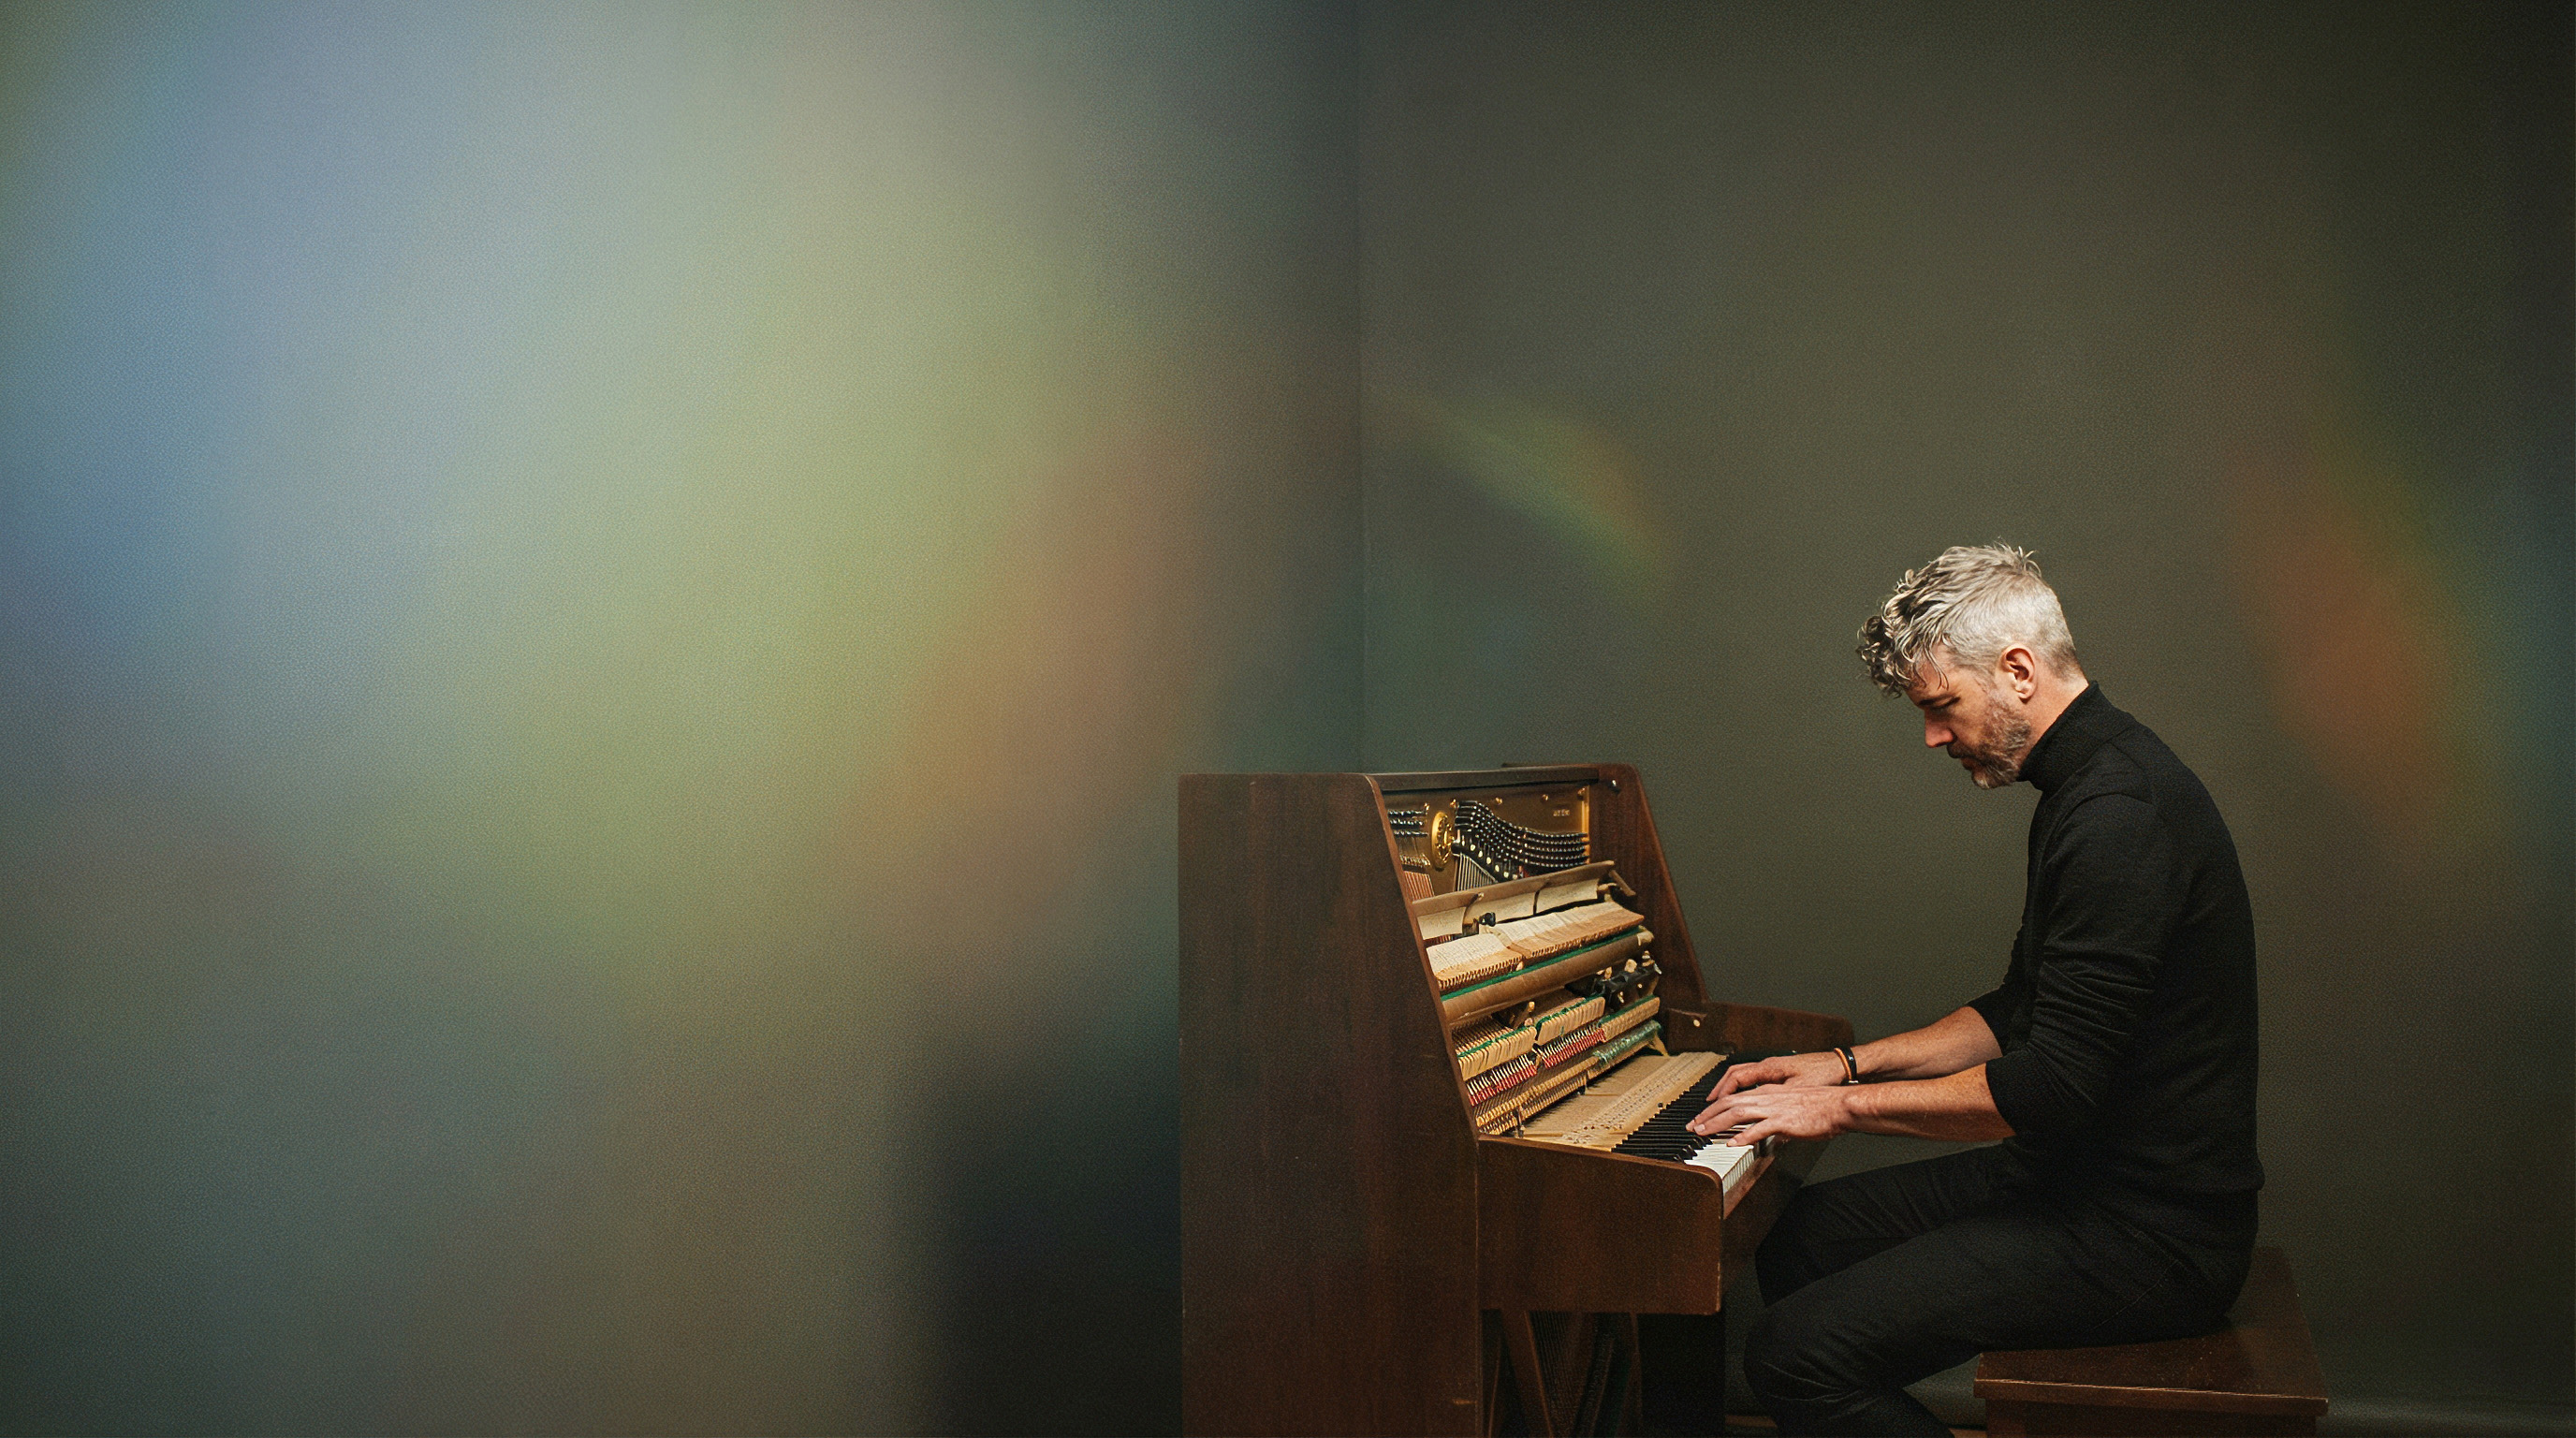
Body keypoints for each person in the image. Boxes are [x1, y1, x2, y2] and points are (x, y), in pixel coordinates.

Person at [1685, 544, 2262, 1437]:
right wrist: (1840, 1065)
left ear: (2018, 671)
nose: (1932, 736)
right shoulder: (2084, 786)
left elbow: (2051, 1090)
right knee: (1802, 1234)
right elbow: (2016, 1010)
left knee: (1793, 1357)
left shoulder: (2121, 815)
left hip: (2152, 1233)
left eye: (1941, 706)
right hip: (2075, 1179)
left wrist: (1838, 1112)